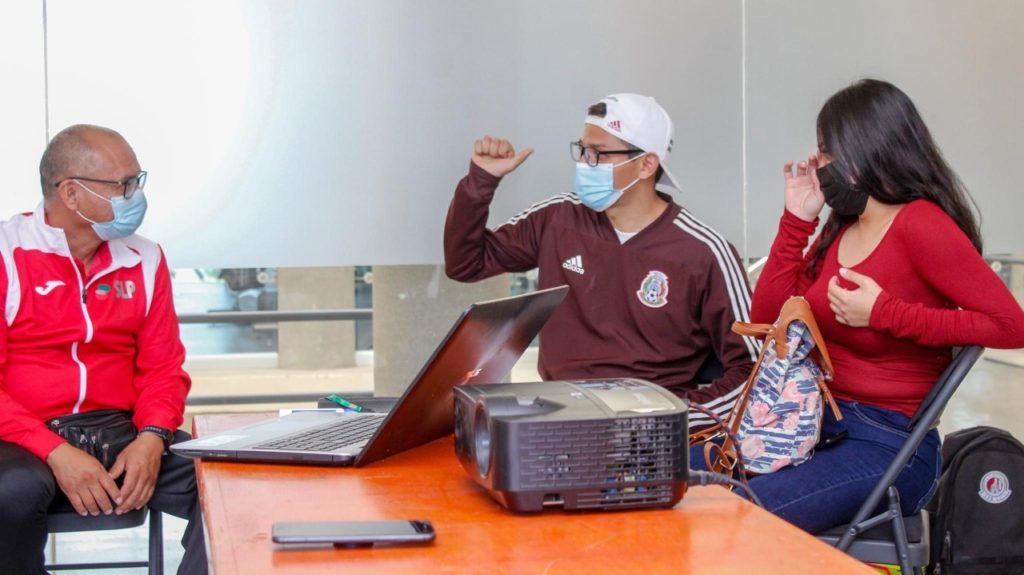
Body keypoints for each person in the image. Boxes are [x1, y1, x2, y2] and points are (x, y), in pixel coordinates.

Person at [694, 79, 1024, 532]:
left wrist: (885, 313)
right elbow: (767, 317)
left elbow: (1011, 326)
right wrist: (797, 219)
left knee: (739, 516)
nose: (819, 164)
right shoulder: (841, 227)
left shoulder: (920, 224)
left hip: (887, 445)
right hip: (811, 423)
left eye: (827, 152)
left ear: (867, 148)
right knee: (677, 477)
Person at [444, 93, 758, 427]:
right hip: (559, 420)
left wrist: (675, 419)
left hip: (651, 438)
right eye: (582, 150)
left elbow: (752, 370)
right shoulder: (557, 219)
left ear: (646, 165)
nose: (584, 163)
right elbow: (467, 263)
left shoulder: (704, 251)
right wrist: (481, 181)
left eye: (598, 154)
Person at [0, 125, 207, 574]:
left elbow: (164, 369)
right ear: (71, 194)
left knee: (226, 486)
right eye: (123, 185)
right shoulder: (6, 253)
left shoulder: (145, 258)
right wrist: (55, 451)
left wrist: (153, 437)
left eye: (137, 180)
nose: (135, 195)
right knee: (11, 494)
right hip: (19, 439)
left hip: (120, 432)